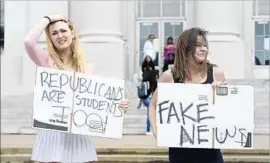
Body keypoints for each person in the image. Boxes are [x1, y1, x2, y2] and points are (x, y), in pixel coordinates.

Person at [24, 15, 129, 163]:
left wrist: (117, 105)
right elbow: (29, 42)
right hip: (52, 134)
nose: (60, 36)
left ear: (72, 33)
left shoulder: (87, 68)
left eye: (63, 31)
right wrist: (48, 19)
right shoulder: (46, 61)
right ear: (50, 39)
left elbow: (98, 102)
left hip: (78, 135)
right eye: (54, 33)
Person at [148, 28, 226, 163]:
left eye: (205, 45)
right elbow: (154, 105)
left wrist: (221, 93)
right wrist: (156, 131)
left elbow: (226, 109)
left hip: (210, 150)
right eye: (198, 45)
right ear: (185, 49)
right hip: (180, 150)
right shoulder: (170, 76)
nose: (203, 49)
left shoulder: (216, 73)